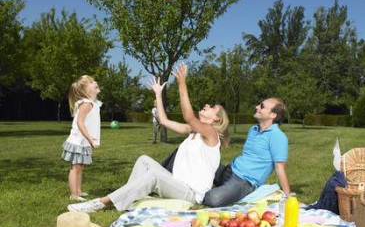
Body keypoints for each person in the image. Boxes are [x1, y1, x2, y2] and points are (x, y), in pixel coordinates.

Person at [68, 63, 229, 213]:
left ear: (217, 119)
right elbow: (164, 121)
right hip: (176, 183)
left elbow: (188, 116)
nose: (207, 105)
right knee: (144, 160)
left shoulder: (211, 134)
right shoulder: (192, 132)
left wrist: (182, 83)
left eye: (212, 107)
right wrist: (158, 94)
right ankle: (128, 198)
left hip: (191, 193)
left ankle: (100, 203)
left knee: (154, 176)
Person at [203, 97, 290, 207]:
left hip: (243, 182)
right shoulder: (253, 129)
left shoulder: (277, 136)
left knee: (212, 199)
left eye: (262, 106)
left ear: (272, 115)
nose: (256, 107)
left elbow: (280, 167)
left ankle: (221, 190)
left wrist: (288, 196)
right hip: (229, 170)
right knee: (197, 160)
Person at [62, 75, 102, 202]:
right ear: (85, 91)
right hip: (78, 141)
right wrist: (90, 139)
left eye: (93, 81)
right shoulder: (87, 104)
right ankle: (74, 194)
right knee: (75, 168)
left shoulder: (92, 104)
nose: (95, 82)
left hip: (83, 142)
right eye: (90, 82)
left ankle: (78, 191)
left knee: (80, 167)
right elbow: (80, 122)